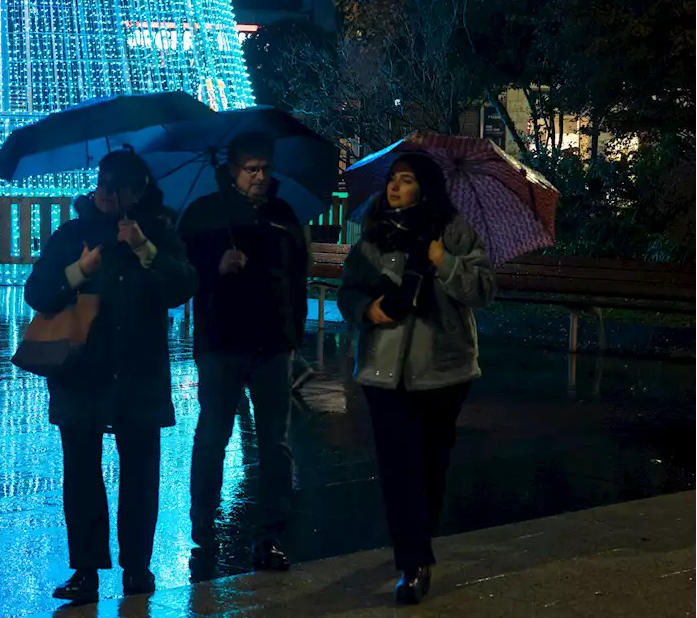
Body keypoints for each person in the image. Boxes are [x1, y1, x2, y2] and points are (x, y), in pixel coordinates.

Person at [23, 149, 198, 604]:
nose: (106, 192)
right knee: (81, 473)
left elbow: (182, 287)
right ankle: (85, 568)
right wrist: (80, 270)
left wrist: (145, 248)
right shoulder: (73, 233)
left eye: (117, 186)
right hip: (81, 373)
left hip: (139, 373)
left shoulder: (157, 231)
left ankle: (137, 565)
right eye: (102, 183)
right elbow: (37, 291)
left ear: (138, 192)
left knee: (140, 472)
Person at [336, 152, 496, 605]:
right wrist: (367, 310)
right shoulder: (373, 233)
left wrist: (444, 261)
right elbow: (350, 289)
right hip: (382, 370)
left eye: (406, 181)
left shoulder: (452, 229)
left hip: (443, 369)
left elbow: (484, 289)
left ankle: (418, 544)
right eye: (392, 179)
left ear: (425, 187)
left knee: (430, 465)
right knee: (397, 466)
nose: (395, 187)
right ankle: (414, 561)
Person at [178, 132, 308, 571]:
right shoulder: (203, 216)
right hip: (221, 343)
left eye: (264, 168)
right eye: (250, 168)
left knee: (276, 443)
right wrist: (215, 268)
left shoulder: (282, 215)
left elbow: (297, 279)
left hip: (273, 344)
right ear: (231, 170)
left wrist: (294, 336)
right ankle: (203, 522)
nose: (258, 176)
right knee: (213, 435)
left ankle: (271, 533)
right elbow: (183, 276)